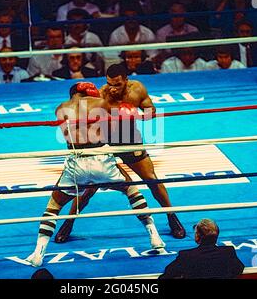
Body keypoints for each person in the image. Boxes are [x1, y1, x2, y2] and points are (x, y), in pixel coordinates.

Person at [25, 81, 165, 267]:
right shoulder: (101, 104)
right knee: (132, 190)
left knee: (53, 206)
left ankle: (38, 253)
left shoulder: (61, 108)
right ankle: (155, 237)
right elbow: (122, 121)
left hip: (76, 162)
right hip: (101, 159)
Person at [54, 64, 186, 243]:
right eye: (109, 84)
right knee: (90, 186)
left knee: (151, 179)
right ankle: (68, 223)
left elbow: (150, 111)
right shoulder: (101, 94)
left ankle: (172, 217)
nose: (112, 88)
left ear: (126, 80)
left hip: (128, 138)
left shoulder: (137, 89)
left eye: (117, 84)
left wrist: (139, 113)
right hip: (104, 140)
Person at [159, 218, 244, 279]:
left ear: (197, 236)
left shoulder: (186, 256)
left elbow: (167, 275)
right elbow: (239, 269)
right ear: (217, 236)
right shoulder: (228, 252)